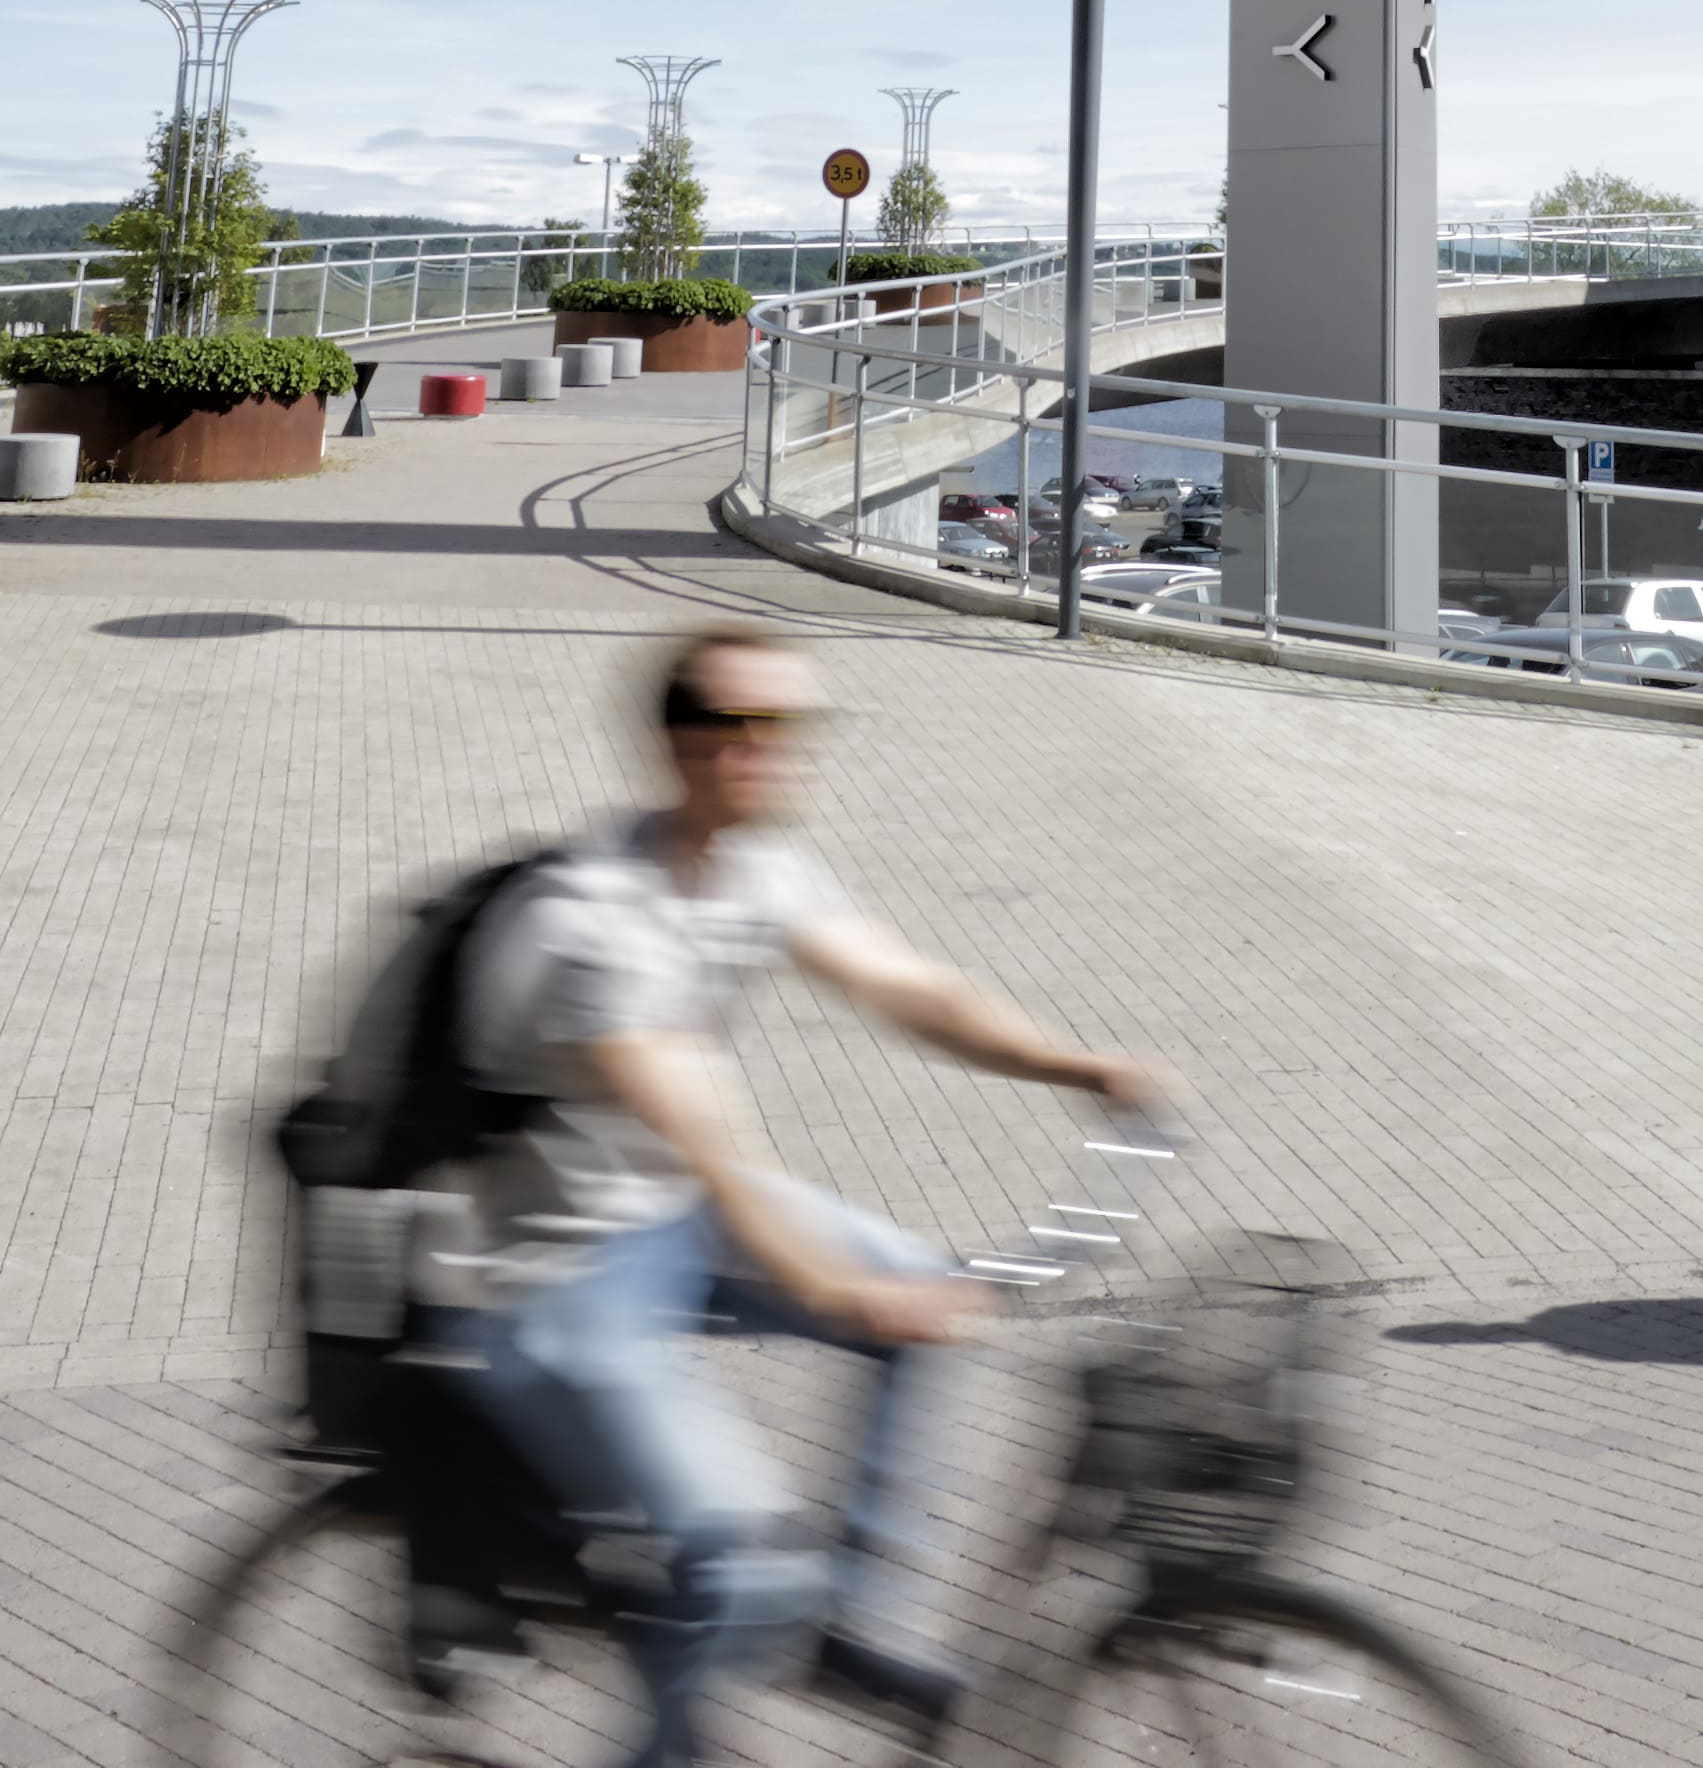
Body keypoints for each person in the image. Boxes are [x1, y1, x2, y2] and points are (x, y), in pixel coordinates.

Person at [440, 628, 1172, 1761]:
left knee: (925, 1304)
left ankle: (851, 1628)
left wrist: (1077, 1066)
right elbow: (707, 1143)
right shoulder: (593, 916)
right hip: (553, 1271)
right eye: (747, 725)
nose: (777, 749)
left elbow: (909, 986)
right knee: (740, 1561)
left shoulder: (750, 869)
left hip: (669, 1221)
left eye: (792, 726)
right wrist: (831, 1285)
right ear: (682, 743)